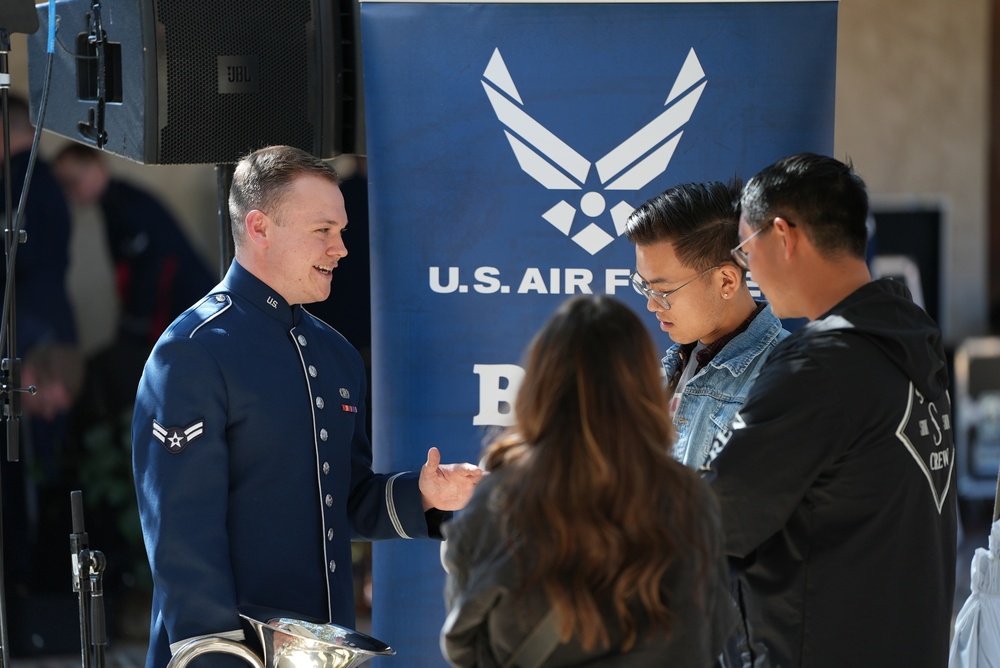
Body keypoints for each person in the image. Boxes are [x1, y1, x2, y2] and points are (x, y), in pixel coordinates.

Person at [132, 145, 482, 668]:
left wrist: (425, 495)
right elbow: (181, 536)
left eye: (341, 230)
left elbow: (344, 499)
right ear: (259, 227)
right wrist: (218, 654)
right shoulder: (193, 351)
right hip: (226, 654)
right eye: (323, 230)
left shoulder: (337, 354)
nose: (341, 248)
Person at [707, 153, 957, 667]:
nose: (745, 267)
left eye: (744, 247)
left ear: (782, 235)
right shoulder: (912, 345)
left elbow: (717, 519)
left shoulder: (821, 366)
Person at [441, 295, 736, 667]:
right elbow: (711, 634)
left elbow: (463, 641)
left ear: (541, 383)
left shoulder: (497, 497)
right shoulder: (688, 498)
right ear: (642, 385)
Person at [625, 180, 788, 470]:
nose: (651, 305)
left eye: (662, 291)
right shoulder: (671, 368)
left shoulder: (787, 377)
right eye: (645, 287)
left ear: (726, 281)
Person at [54, 142, 216, 346]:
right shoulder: (116, 203)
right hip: (181, 311)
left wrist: (134, 325)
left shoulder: (126, 205)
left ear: (97, 166)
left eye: (73, 182)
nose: (70, 193)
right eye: (64, 186)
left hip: (186, 309)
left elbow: (150, 271)